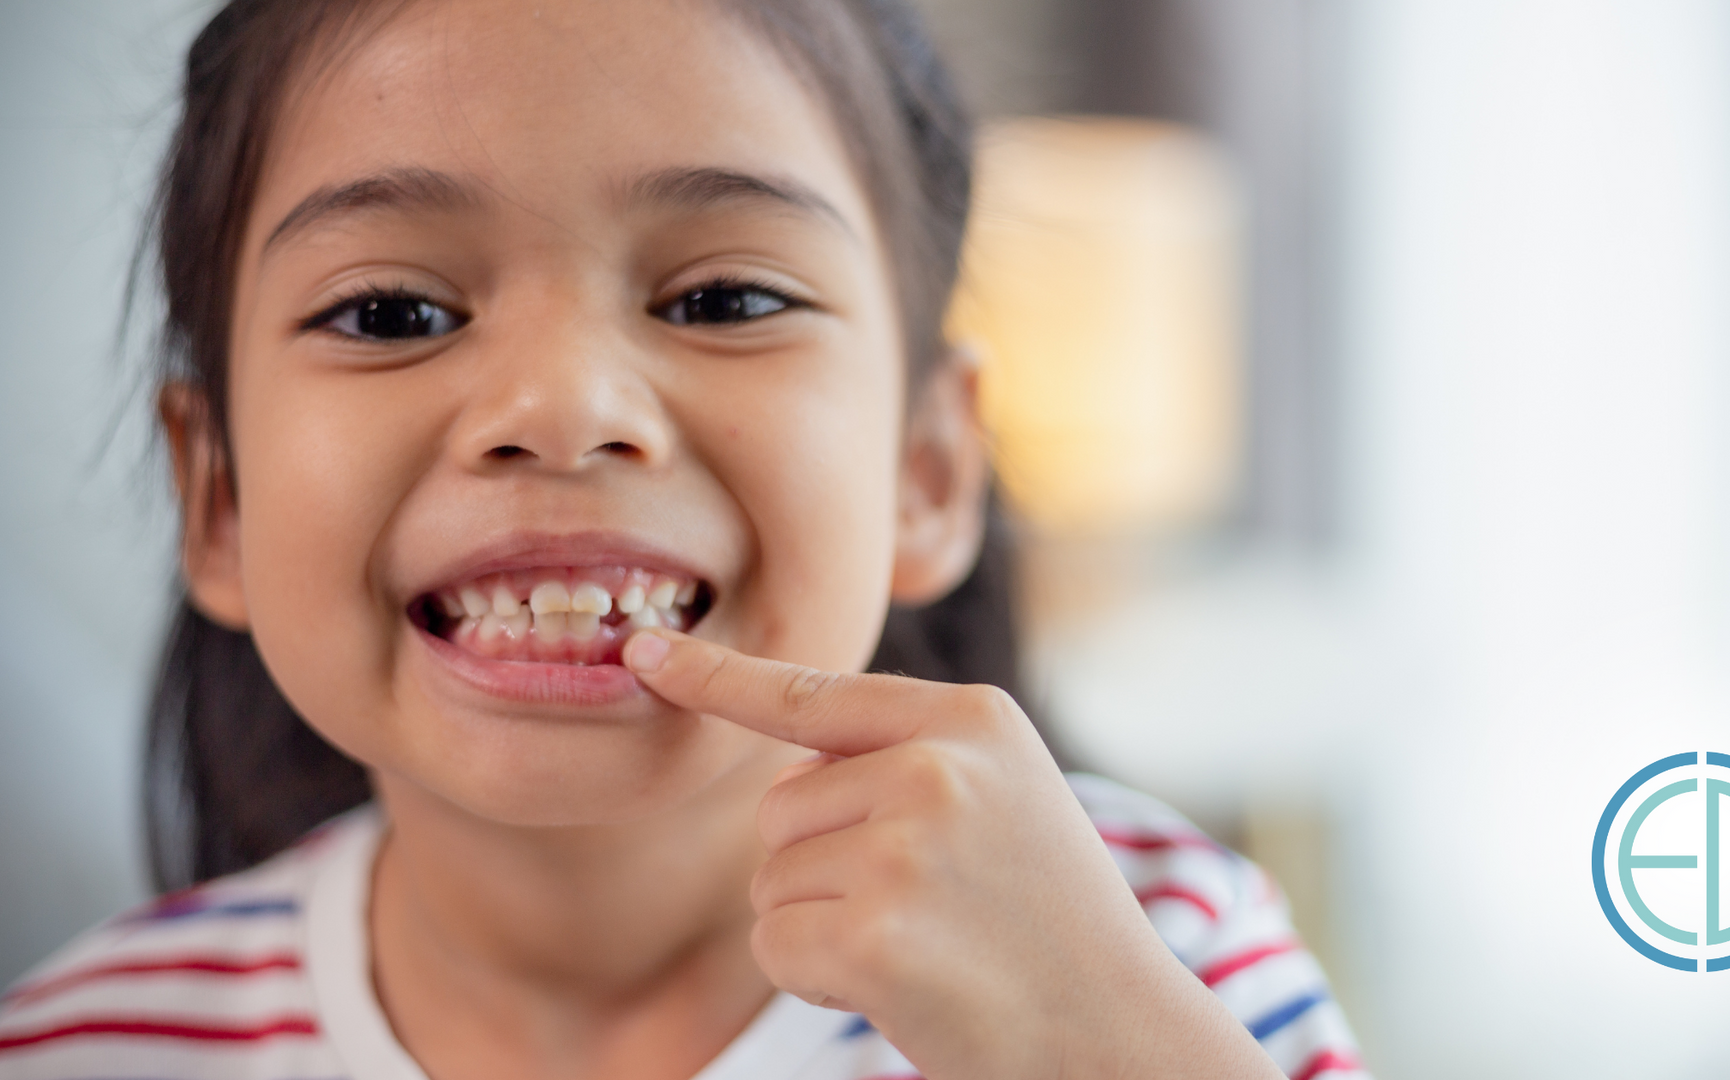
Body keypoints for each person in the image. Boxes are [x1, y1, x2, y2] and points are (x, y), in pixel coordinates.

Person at [0, 2, 1367, 1078]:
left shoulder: (1161, 960)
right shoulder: (82, 1047)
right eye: (393, 315)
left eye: (721, 297)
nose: (563, 409)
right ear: (218, 494)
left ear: (926, 470)